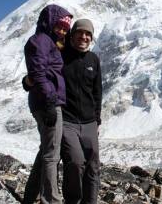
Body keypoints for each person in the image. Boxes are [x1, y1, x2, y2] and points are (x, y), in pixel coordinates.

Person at [22, 4, 72, 204]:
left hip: (44, 101)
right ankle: (51, 200)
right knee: (52, 154)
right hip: (47, 102)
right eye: (58, 26)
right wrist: (51, 101)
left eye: (65, 29)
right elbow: (38, 74)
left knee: (46, 150)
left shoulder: (48, 41)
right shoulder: (41, 41)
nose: (61, 31)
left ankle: (29, 196)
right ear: (49, 22)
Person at [60, 18, 102, 204]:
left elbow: (97, 91)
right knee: (75, 163)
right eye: (80, 33)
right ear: (73, 34)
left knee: (93, 167)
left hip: (89, 122)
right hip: (67, 121)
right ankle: (73, 200)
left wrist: (97, 120)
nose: (83, 37)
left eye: (88, 34)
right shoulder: (61, 56)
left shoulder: (93, 59)